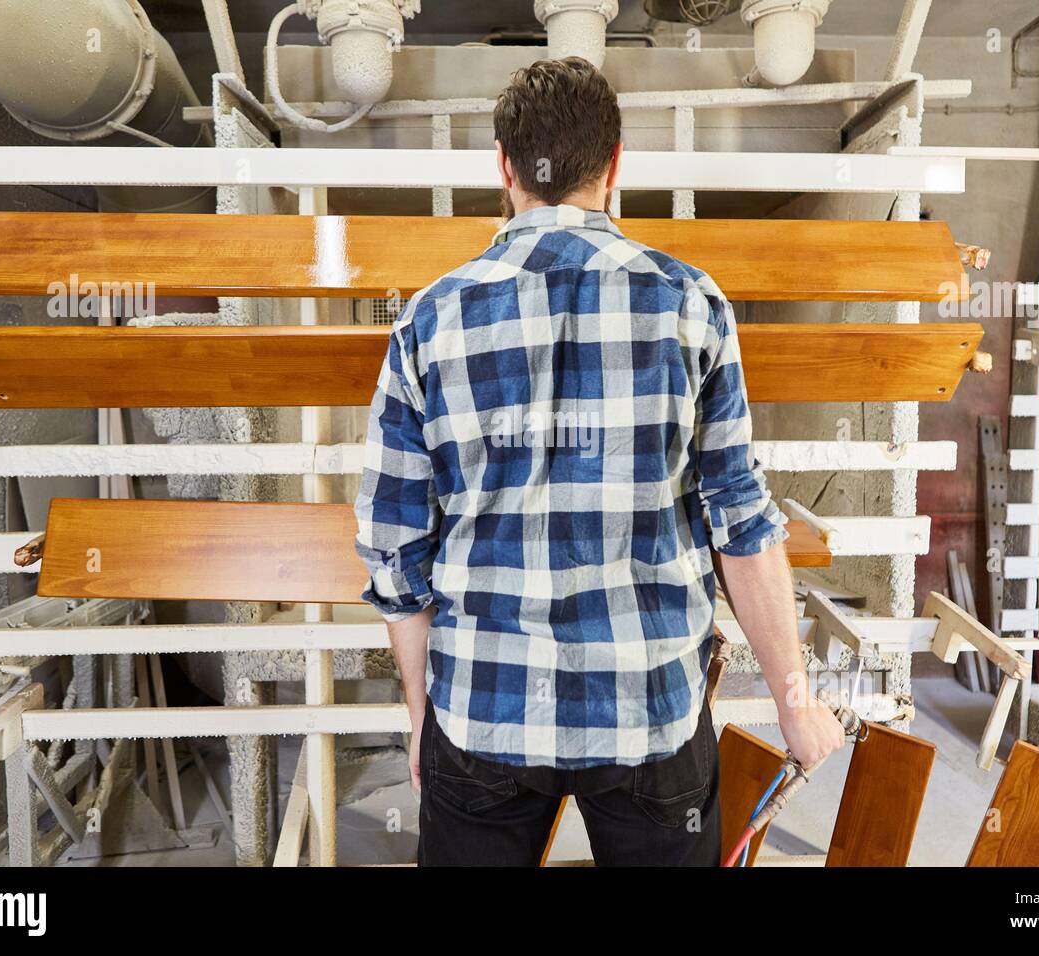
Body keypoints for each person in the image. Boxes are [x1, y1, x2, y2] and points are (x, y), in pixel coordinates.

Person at [354, 56, 844, 866]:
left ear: (505, 169)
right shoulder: (692, 305)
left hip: (482, 713)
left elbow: (393, 544)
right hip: (648, 711)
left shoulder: (427, 322)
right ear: (615, 167)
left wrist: (422, 719)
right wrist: (794, 704)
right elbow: (743, 525)